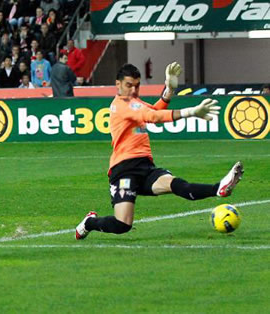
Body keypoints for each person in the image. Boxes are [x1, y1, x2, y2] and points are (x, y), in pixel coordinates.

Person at [75, 63, 244, 240]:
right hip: (124, 170)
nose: (133, 89)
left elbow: (154, 111)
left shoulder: (134, 103)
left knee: (177, 185)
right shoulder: (122, 105)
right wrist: (191, 111)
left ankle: (218, 189)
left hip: (145, 166)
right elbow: (154, 117)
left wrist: (169, 90)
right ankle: (89, 223)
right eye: (129, 85)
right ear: (118, 84)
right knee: (122, 224)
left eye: (137, 85)